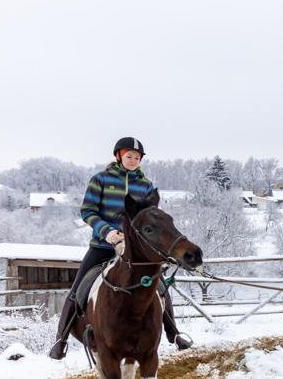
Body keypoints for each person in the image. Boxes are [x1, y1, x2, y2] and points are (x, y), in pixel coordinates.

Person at [46, 137, 193, 360]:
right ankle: (61, 339)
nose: (133, 160)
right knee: (78, 288)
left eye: (137, 157)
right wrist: (108, 232)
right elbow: (87, 211)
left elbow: (150, 220)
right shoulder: (101, 180)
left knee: (159, 286)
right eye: (129, 156)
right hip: (103, 245)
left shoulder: (145, 186)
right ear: (119, 156)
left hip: (135, 250)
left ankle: (174, 333)